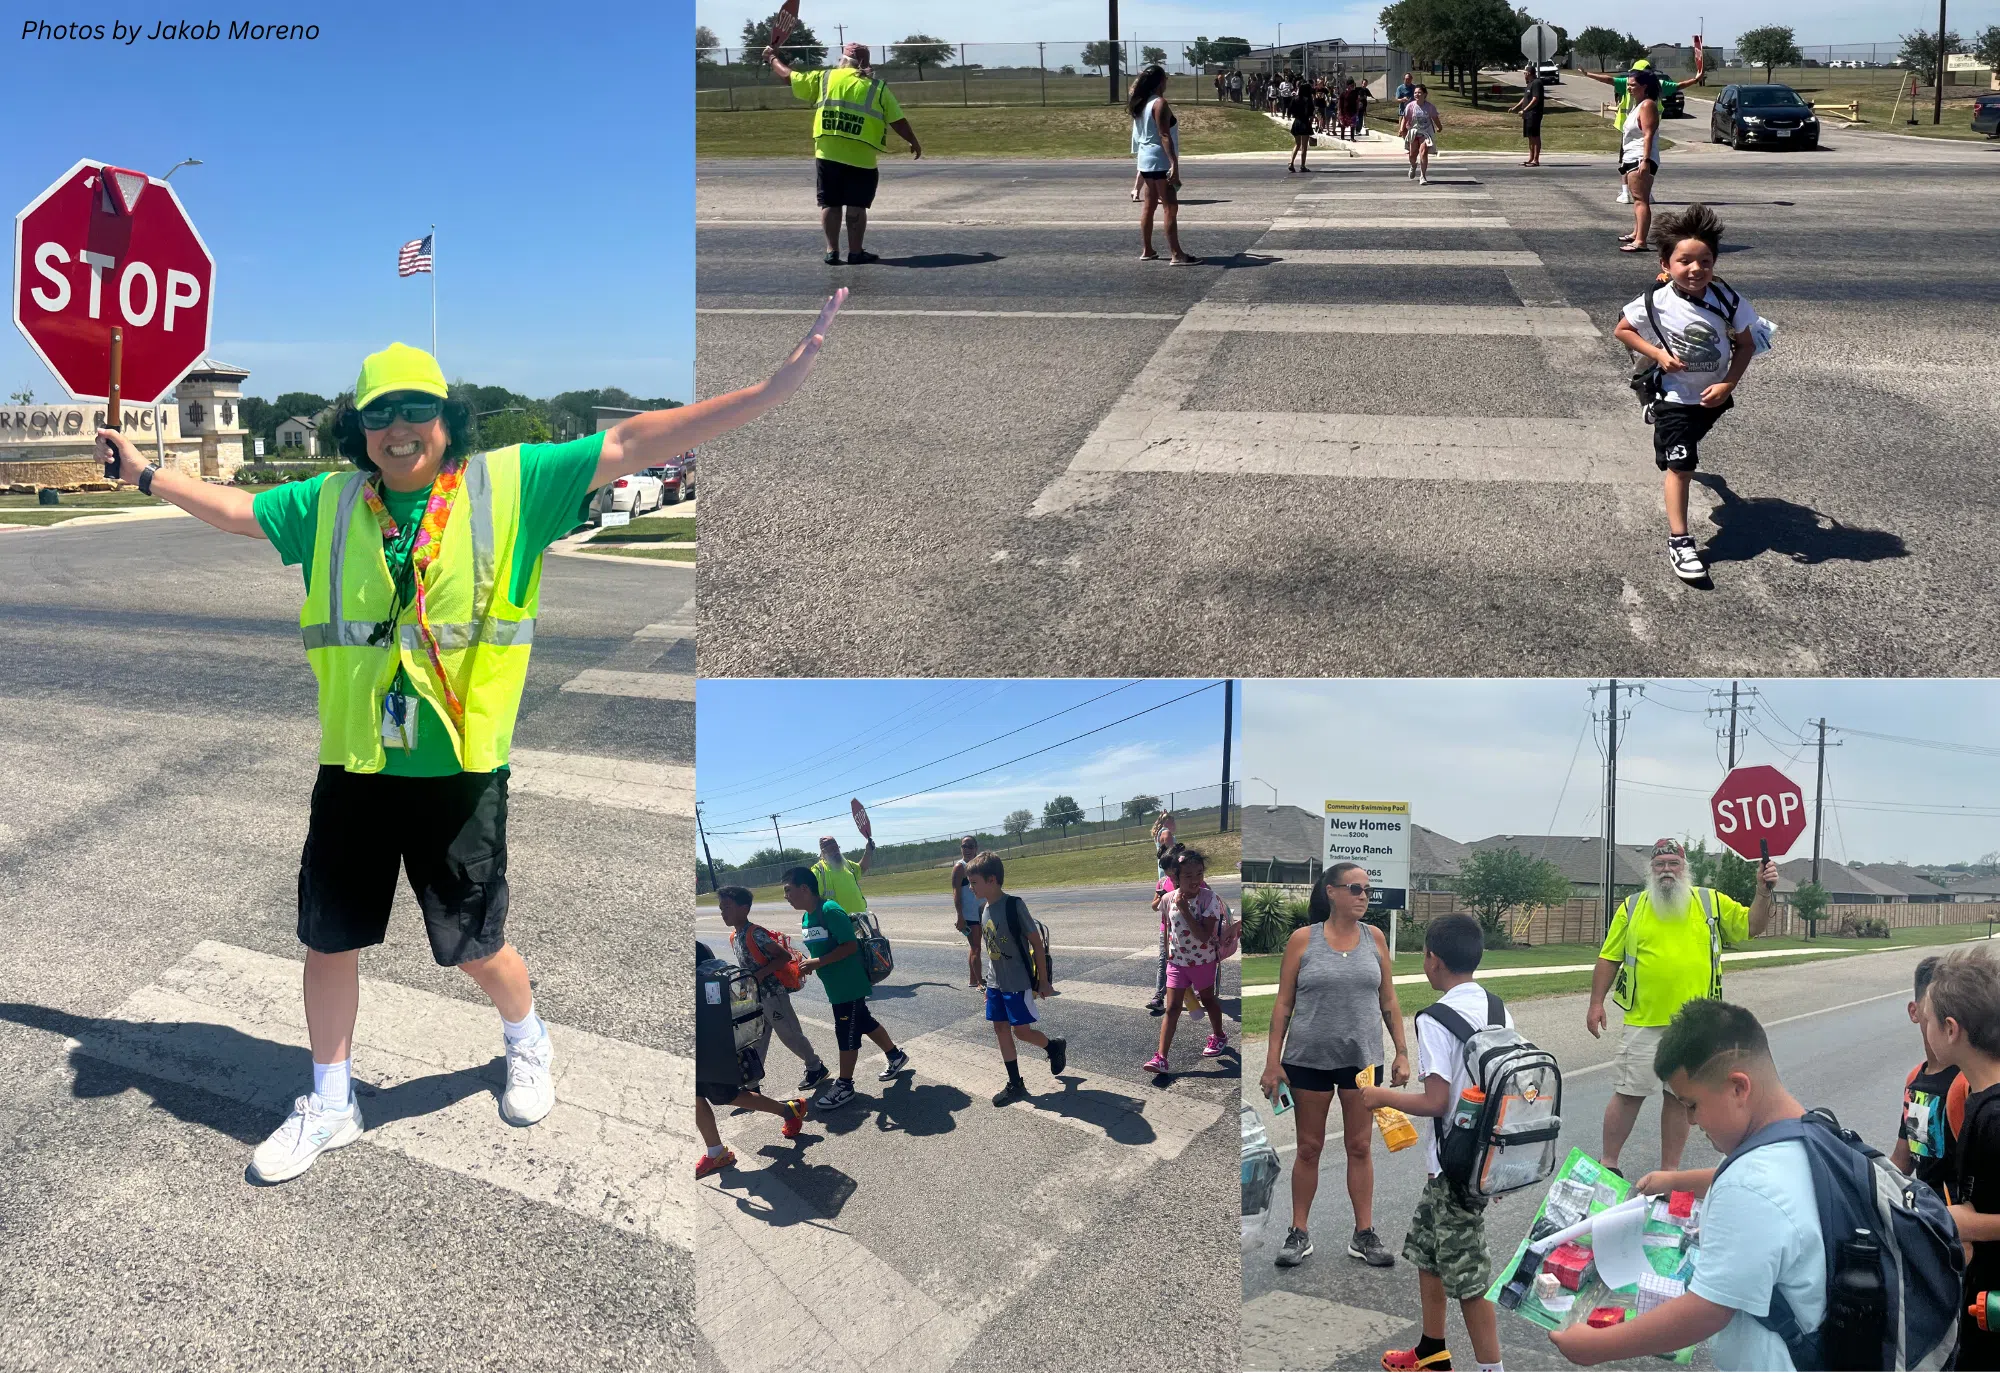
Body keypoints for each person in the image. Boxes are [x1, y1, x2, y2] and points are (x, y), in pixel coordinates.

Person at [98, 298, 848, 1186]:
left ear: (447, 420)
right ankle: (331, 1101)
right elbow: (234, 509)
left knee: (473, 945)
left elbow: (630, 441)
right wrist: (147, 474)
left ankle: (527, 1040)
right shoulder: (329, 503)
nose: (398, 427)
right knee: (328, 939)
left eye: (416, 408)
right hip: (355, 765)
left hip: (459, 772)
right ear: (358, 430)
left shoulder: (510, 485)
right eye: (378, 412)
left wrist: (767, 392)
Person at [1549, 1000, 1824, 1371]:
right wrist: (1677, 1181)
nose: (1691, 1120)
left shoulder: (1747, 1188)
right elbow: (1764, 1183)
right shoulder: (1810, 1131)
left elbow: (1705, 1312)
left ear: (1738, 1088)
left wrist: (1597, 1346)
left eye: (1692, 1105)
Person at [1360, 915, 1512, 1373]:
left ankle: (1491, 1369)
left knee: (1468, 1279)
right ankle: (1432, 1351)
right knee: (1427, 1251)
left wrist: (1381, 1097)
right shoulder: (1497, 1008)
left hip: (1456, 1166)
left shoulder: (1434, 1018)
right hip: (1482, 1156)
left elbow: (1435, 1101)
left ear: (1433, 960)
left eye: (1424, 954)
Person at [1585, 837, 1775, 1179]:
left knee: (1679, 1098)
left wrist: (1762, 891)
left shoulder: (1710, 901)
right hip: (1644, 1021)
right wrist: (1596, 1003)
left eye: (1673, 863)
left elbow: (1753, 926)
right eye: (1660, 864)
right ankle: (1608, 1163)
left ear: (1685, 868)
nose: (1666, 870)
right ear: (1650, 869)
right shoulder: (1632, 907)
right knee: (1628, 1093)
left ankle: (1669, 1173)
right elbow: (1609, 957)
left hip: (1696, 1026)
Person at [1260, 862, 1410, 1271]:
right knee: (1309, 1148)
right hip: (1308, 1059)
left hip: (1362, 1061)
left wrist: (1401, 1051)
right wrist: (1272, 1062)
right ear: (1331, 891)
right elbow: (1283, 1004)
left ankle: (1364, 1233)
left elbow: (1389, 1000)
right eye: (1355, 888)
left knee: (1360, 1146)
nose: (1364, 896)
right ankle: (1299, 1232)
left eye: (1367, 889)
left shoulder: (1375, 938)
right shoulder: (1303, 940)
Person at [1611, 204, 1761, 585]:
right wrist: (1659, 355)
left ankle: (1657, 418)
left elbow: (1746, 345)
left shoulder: (1727, 299)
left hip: (1710, 398)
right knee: (1682, 466)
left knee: (1686, 445)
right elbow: (1623, 330)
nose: (1696, 269)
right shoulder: (1656, 301)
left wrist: (1729, 383)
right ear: (1665, 263)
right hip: (1675, 397)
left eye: (1705, 261)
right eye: (1685, 261)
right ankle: (1680, 541)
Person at [762, 41, 922, 265]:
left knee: (830, 203)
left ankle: (832, 251)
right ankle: (855, 252)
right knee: (857, 204)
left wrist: (771, 58)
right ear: (865, 64)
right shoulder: (877, 87)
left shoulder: (824, 78)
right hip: (862, 155)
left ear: (843, 60)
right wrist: (912, 140)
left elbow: (789, 76)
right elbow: (897, 119)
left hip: (828, 152)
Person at [1925, 947, 2000, 1368]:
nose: (1924, 1027)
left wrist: (1965, 1223)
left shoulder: (1995, 1117)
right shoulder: (1975, 1098)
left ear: (1951, 1029)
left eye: (1929, 1019)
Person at [783, 865, 909, 1110]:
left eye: (789, 890)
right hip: (835, 986)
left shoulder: (829, 910)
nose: (786, 896)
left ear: (804, 888)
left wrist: (818, 962)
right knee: (863, 1021)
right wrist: (807, 964)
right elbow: (821, 948)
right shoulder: (807, 916)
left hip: (848, 984)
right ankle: (896, 1056)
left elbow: (849, 945)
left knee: (846, 1033)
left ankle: (845, 1085)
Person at [693, 939, 809, 1180]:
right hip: (719, 1038)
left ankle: (789, 1110)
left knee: (725, 1095)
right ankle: (715, 1151)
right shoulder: (703, 953)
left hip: (710, 1045)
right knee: (702, 1095)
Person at [966, 851, 1065, 1106]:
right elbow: (991, 950)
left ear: (992, 880)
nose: (970, 887)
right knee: (1000, 1029)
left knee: (1021, 1032)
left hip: (1017, 982)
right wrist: (988, 985)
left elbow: (1037, 944)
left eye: (974, 882)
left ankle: (1053, 1047)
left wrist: (1043, 981)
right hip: (996, 983)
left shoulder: (1014, 905)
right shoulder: (983, 909)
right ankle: (1016, 1083)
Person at [717, 885, 830, 1093]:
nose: (723, 912)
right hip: (756, 997)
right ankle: (751, 1084)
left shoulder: (755, 934)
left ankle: (816, 1067)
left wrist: (759, 975)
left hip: (773, 995)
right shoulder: (735, 936)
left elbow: (783, 956)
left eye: (728, 907)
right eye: (721, 908)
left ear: (744, 909)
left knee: (790, 1035)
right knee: (755, 1040)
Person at [1145, 847, 1229, 1075]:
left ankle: (1219, 1035)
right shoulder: (1167, 899)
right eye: (1188, 875)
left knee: (1208, 999)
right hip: (1177, 963)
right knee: (1172, 1008)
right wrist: (1168, 957)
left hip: (1203, 961)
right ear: (1176, 877)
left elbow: (1203, 935)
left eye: (1199, 874)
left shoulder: (1209, 899)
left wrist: (1185, 909)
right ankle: (1161, 1058)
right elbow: (1168, 931)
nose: (1195, 880)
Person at [1892, 954, 1968, 1196]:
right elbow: (1904, 1162)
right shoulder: (1917, 1080)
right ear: (1914, 1012)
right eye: (1936, 1005)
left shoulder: (1970, 1082)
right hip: (1928, 1213)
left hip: (1964, 1216)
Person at [1129, 64, 1198, 265]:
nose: (1167, 81)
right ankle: (1177, 254)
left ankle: (1148, 250)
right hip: (1159, 160)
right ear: (1160, 81)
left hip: (1145, 161)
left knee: (1149, 206)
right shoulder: (1159, 103)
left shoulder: (1141, 103)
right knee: (1170, 207)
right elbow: (1164, 135)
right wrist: (1174, 163)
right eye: (1165, 78)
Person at [1578, 59, 1654, 204]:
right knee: (1649, 162)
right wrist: (1696, 79)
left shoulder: (1628, 84)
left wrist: (1587, 74)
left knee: (1627, 162)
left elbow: (1609, 80)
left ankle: (1626, 193)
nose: (1630, 86)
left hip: (1632, 131)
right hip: (1649, 130)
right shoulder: (1657, 86)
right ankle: (1647, 193)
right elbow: (1679, 86)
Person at [1614, 69, 1663, 253]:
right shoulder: (1638, 105)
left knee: (1641, 199)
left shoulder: (1647, 105)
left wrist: (1645, 160)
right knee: (1636, 199)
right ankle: (1636, 233)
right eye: (1628, 84)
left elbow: (1648, 134)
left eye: (1633, 85)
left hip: (1640, 157)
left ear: (1645, 86)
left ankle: (1641, 241)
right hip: (1631, 156)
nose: (1629, 88)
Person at [812, 831, 873, 920]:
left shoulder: (847, 864)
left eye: (837, 848)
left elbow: (862, 868)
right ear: (824, 852)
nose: (836, 851)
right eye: (831, 849)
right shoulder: (818, 871)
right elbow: (812, 899)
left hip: (860, 918)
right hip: (838, 922)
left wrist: (868, 851)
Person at [950, 835, 985, 989]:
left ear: (976, 848)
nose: (967, 849)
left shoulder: (979, 864)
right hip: (969, 915)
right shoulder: (960, 867)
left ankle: (973, 979)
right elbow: (956, 893)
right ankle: (980, 983)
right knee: (976, 947)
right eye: (964, 846)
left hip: (982, 912)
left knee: (975, 947)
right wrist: (960, 916)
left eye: (970, 846)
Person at [1399, 84, 1442, 185]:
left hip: (1425, 133)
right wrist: (1401, 129)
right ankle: (1413, 165)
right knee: (1412, 155)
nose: (1417, 94)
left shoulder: (1430, 107)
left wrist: (1439, 127)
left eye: (1419, 92)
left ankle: (1423, 176)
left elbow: (1435, 118)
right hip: (1413, 132)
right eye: (1415, 93)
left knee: (1423, 153)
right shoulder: (1410, 106)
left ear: (1425, 94)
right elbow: (1405, 118)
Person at [1509, 65, 1547, 166]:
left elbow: (1535, 99)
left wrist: (1525, 110)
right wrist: (1515, 107)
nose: (1524, 75)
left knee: (1535, 136)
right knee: (1530, 136)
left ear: (1529, 73)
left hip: (1534, 113)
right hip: (1527, 114)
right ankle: (1530, 158)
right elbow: (1525, 98)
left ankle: (1536, 160)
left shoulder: (1537, 83)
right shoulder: (1529, 83)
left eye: (1525, 73)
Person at [1287, 76, 1317, 172]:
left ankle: (1291, 162)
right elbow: (1311, 115)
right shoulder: (1308, 101)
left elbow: (1290, 111)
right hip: (1305, 123)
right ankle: (1302, 165)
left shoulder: (1295, 99)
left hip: (1296, 122)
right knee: (1304, 146)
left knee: (1297, 144)